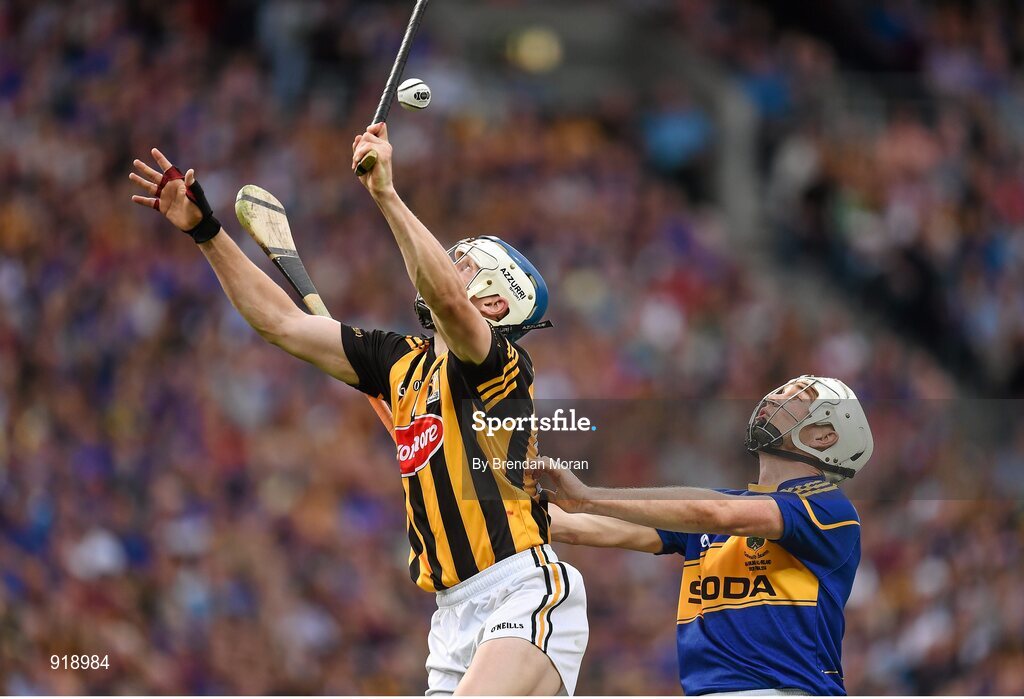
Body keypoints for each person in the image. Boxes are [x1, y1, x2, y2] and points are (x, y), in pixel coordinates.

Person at [128, 122, 588, 696]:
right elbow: (284, 323)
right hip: (451, 615)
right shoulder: (398, 364)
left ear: (496, 300)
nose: (447, 265)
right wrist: (207, 232)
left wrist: (385, 195)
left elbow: (445, 296)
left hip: (522, 589)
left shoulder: (500, 364)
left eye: (464, 264)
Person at [538, 376, 873, 696]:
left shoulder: (829, 507)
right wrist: (499, 500)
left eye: (798, 396)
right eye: (780, 390)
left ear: (823, 437)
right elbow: (576, 526)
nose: (775, 397)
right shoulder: (725, 508)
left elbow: (713, 513)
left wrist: (589, 497)